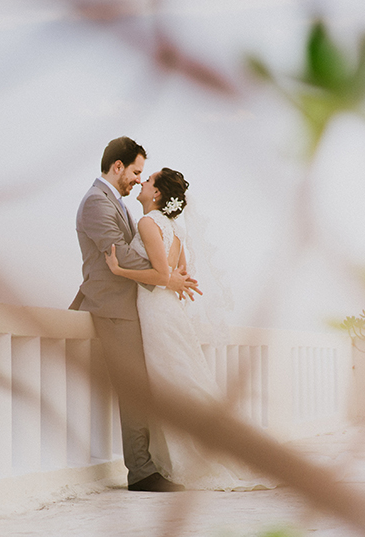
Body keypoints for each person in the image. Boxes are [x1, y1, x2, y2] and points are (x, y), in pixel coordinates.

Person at [105, 168, 268, 491]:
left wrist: (119, 269)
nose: (142, 183)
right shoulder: (175, 231)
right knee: (182, 380)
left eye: (148, 181)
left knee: (171, 382)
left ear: (158, 194)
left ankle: (191, 458)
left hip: (156, 313)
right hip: (166, 312)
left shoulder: (148, 223)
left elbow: (163, 275)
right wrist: (175, 280)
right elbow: (179, 275)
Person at [70, 137, 199, 493]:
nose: (138, 180)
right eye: (136, 172)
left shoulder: (117, 203)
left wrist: (165, 274)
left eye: (143, 175)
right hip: (113, 307)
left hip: (132, 306)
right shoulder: (97, 202)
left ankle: (149, 464)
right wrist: (166, 275)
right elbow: (120, 255)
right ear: (118, 167)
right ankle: (141, 471)